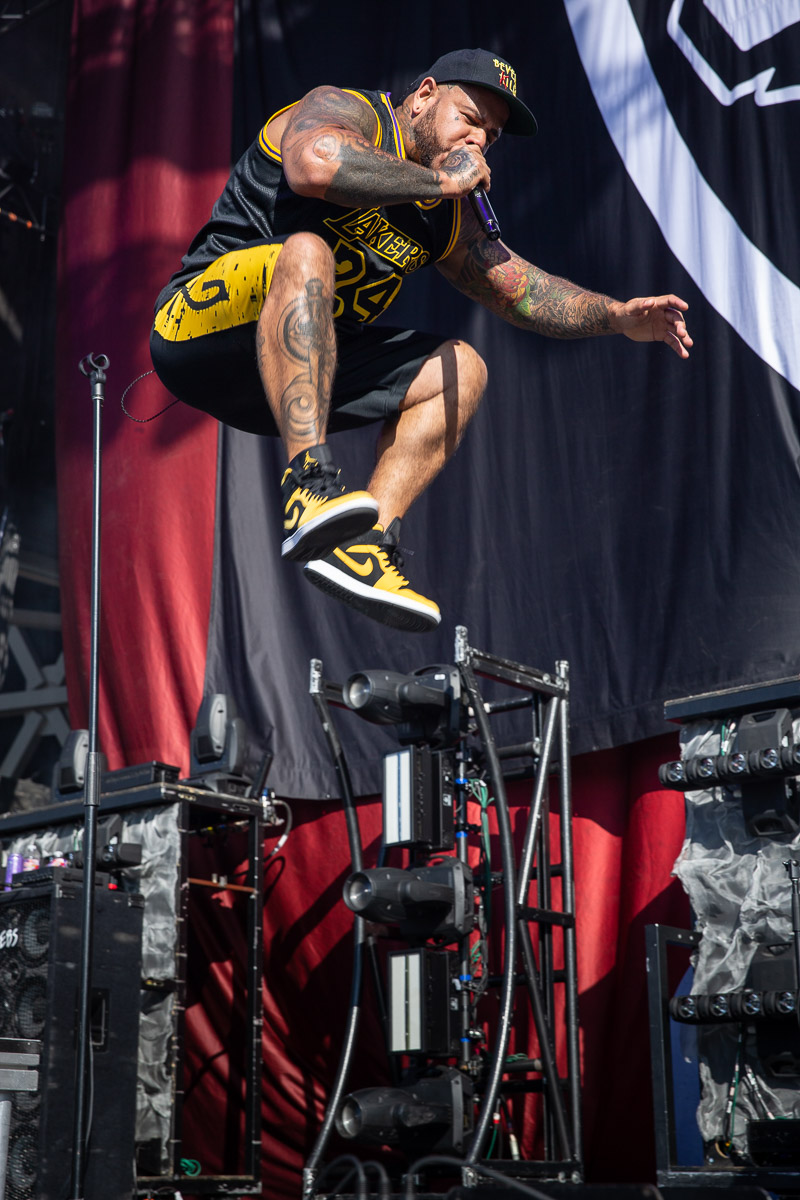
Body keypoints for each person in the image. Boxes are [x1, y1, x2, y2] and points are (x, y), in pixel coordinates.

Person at [150, 48, 692, 634]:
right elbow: (313, 164)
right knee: (308, 251)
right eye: (469, 116)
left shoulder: (447, 216)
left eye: (493, 133)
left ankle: (364, 549)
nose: (478, 139)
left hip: (279, 385)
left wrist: (617, 315)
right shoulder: (349, 111)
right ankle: (307, 483)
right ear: (426, 94)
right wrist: (440, 180)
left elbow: (518, 290)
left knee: (463, 368)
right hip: (196, 329)